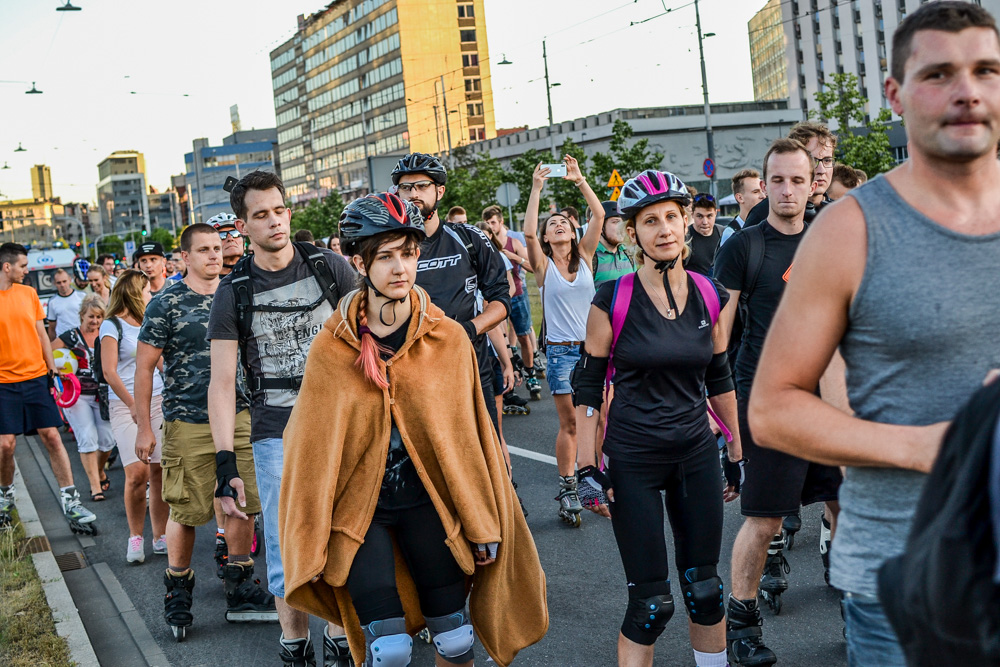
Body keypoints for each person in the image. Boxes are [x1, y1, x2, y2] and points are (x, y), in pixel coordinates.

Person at [748, 4, 1000, 665]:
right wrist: (928, 447)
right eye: (939, 73)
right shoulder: (851, 228)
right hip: (904, 587)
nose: (967, 90)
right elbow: (773, 409)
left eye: (986, 70)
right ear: (895, 93)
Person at [278, 192, 548, 667]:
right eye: (385, 256)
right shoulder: (331, 349)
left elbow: (472, 437)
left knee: (456, 642)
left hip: (432, 505)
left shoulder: (448, 337)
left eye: (408, 252)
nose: (400, 267)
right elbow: (311, 451)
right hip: (362, 516)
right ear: (359, 262)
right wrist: (309, 534)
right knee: (389, 649)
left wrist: (482, 517)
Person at [572, 169, 742, 667]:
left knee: (705, 590)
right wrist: (586, 467)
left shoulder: (712, 294)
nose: (664, 228)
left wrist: (735, 450)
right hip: (634, 460)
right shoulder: (613, 298)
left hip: (695, 453)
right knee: (650, 604)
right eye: (650, 221)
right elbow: (587, 388)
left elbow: (720, 376)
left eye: (673, 216)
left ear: (687, 221)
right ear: (632, 233)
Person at [207, 171, 356, 665]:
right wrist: (225, 462)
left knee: (344, 534)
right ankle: (295, 645)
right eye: (261, 214)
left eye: (279, 209)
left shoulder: (329, 267)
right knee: (286, 543)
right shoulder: (234, 291)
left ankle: (339, 637)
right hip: (275, 433)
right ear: (242, 225)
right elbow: (223, 383)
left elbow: (372, 341)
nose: (274, 221)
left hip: (341, 423)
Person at [714, 138, 843, 665]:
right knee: (765, 521)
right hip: (769, 402)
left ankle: (862, 616)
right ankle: (742, 630)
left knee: (849, 511)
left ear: (814, 182)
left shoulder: (833, 240)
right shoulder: (744, 246)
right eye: (777, 181)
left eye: (797, 179)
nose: (787, 190)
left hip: (830, 401)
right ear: (763, 186)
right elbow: (719, 336)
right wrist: (725, 420)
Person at [134, 224, 274, 639]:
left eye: (218, 248)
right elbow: (144, 368)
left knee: (243, 502)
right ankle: (178, 589)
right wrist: (144, 427)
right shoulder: (167, 302)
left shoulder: (238, 293)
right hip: (188, 419)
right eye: (204, 250)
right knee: (187, 509)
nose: (215, 255)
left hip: (241, 414)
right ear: (185, 258)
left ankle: (240, 583)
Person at [392, 153, 511, 434]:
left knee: (485, 459)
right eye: (406, 188)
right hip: (414, 373)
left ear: (440, 190)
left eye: (422, 186)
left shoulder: (469, 238)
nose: (413, 194)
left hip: (470, 366)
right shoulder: (389, 248)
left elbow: (501, 299)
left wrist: (469, 329)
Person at [523, 157, 604, 526]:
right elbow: (526, 234)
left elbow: (599, 215)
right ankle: (570, 486)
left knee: (598, 420)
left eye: (563, 223)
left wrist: (579, 180)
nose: (557, 225)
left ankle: (595, 484)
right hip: (559, 354)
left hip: (593, 350)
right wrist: (536, 188)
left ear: (573, 232)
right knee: (571, 423)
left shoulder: (585, 256)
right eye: (550, 225)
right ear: (546, 237)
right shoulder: (543, 268)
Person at [0, 243, 97, 533]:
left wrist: (51, 368)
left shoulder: (28, 294)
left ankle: (71, 501)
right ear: (7, 267)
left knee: (52, 437)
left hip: (35, 377)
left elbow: (41, 332)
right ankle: (5, 498)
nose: (26, 270)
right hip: (3, 383)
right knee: (6, 444)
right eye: (22, 266)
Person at [100, 270, 169, 563]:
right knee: (137, 473)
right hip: (124, 403)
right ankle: (135, 536)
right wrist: (131, 404)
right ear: (133, 292)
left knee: (160, 471)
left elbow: (162, 364)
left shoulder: (148, 323)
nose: (150, 294)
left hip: (157, 400)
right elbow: (109, 371)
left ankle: (160, 535)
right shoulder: (111, 325)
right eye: (147, 290)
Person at [52, 295, 116, 502]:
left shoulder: (107, 334)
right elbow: (46, 353)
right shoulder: (70, 336)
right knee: (87, 438)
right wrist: (56, 370)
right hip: (77, 396)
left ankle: (99, 471)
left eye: (99, 317)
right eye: (91, 316)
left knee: (107, 441)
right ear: (81, 316)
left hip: (104, 395)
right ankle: (95, 486)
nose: (95, 321)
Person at [483, 205, 541, 400]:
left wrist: (514, 256)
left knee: (524, 336)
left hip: (517, 294)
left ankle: (531, 373)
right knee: (503, 340)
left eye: (493, 222)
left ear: (500, 223)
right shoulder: (485, 249)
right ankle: (510, 377)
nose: (491, 226)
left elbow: (533, 267)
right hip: (495, 301)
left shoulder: (512, 242)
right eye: (488, 223)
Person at [744, 123, 838, 227]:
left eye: (827, 160)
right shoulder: (761, 214)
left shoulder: (841, 212)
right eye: (813, 160)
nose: (821, 170)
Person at [590, 201, 634, 288]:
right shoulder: (591, 257)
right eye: (615, 222)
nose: (621, 227)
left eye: (622, 223)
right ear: (600, 227)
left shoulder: (628, 253)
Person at [721, 169, 765, 246]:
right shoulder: (731, 233)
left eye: (763, 191)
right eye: (756, 192)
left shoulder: (767, 226)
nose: (763, 196)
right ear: (740, 198)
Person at [685, 193, 723, 276]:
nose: (705, 222)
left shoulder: (724, 234)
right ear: (692, 215)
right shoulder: (684, 238)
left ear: (715, 213)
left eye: (709, 216)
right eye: (700, 216)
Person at [46, 268, 85, 339]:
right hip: (62, 340)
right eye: (59, 282)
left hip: (81, 337)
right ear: (55, 284)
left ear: (70, 280)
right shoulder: (52, 302)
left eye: (64, 281)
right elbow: (51, 327)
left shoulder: (82, 297)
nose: (62, 285)